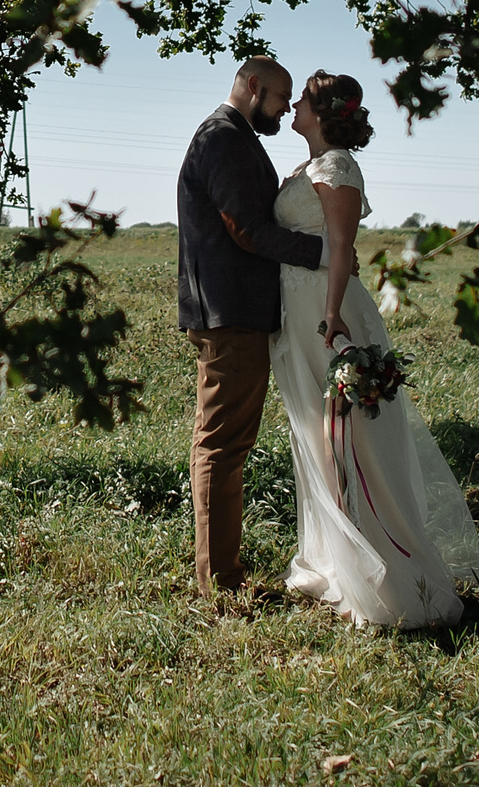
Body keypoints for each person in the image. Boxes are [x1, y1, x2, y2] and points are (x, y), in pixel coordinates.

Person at [268, 70, 479, 628]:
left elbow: (342, 246)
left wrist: (333, 314)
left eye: (302, 99)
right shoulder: (306, 169)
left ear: (323, 112)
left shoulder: (338, 168)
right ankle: (334, 561)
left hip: (327, 310)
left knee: (349, 440)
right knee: (315, 435)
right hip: (296, 310)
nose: (293, 106)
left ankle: (388, 573)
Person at [175, 55, 324, 599]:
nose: (286, 109)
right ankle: (220, 583)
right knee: (223, 446)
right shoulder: (224, 137)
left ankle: (219, 575)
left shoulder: (233, 136)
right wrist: (323, 253)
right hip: (229, 313)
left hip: (230, 312)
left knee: (222, 443)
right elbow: (247, 230)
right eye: (282, 97)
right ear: (254, 86)